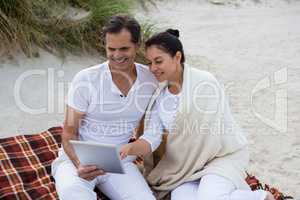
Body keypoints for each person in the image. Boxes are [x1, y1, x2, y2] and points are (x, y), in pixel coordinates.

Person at [120, 29, 275, 200]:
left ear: (177, 57)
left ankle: (262, 197)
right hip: (186, 168)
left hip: (220, 158)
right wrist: (131, 148)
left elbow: (214, 134)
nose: (153, 68)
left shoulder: (204, 83)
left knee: (211, 197)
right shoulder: (159, 96)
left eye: (158, 61)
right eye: (149, 63)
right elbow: (152, 137)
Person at [51, 15, 158, 200]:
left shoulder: (150, 79)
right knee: (73, 194)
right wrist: (79, 164)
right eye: (111, 49)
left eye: (124, 48)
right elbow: (69, 131)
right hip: (78, 159)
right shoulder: (86, 79)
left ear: (138, 45)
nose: (117, 55)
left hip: (120, 162)